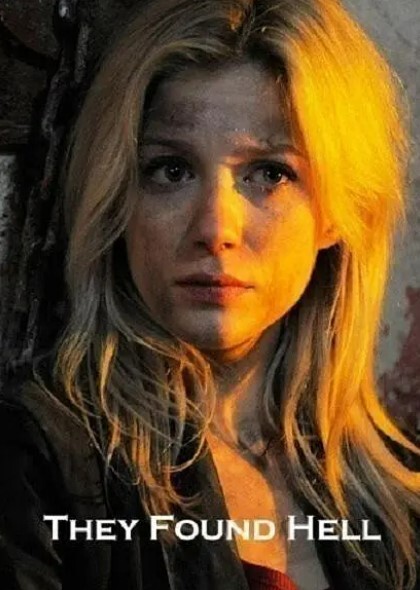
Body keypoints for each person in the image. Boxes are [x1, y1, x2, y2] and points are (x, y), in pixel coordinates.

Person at [0, 0, 419, 589]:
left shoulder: (398, 501)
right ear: (117, 197)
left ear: (335, 211)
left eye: (269, 173)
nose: (215, 228)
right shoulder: (35, 462)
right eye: (171, 170)